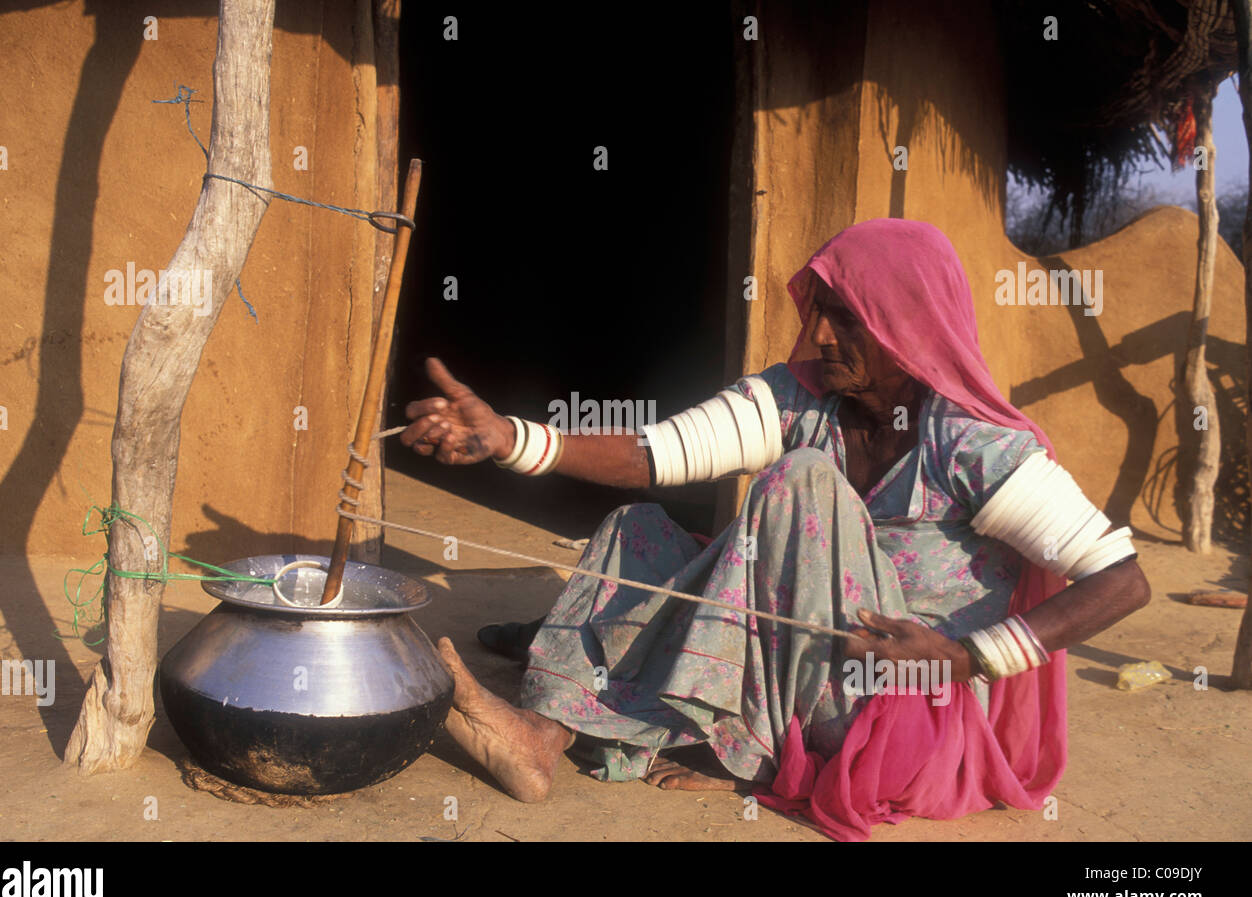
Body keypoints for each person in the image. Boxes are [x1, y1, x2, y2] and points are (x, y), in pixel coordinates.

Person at [399, 218, 1150, 840]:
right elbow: (657, 453)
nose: (818, 333)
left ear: (906, 325)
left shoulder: (970, 440)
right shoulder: (803, 400)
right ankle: (542, 734)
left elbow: (1122, 577)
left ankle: (728, 742)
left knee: (800, 481)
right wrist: (512, 437)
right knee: (641, 530)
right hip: (795, 672)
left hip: (893, 713)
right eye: (816, 308)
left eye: (843, 315)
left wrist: (963, 655)